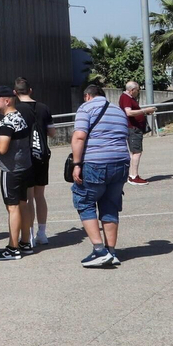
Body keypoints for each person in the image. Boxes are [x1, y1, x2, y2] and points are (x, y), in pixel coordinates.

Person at [68, 83, 130, 268]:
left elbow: (79, 136)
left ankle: (99, 251)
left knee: (84, 201)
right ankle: (112, 252)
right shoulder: (118, 110)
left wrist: (76, 164)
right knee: (110, 204)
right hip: (121, 163)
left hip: (96, 163)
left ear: (87, 96)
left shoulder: (86, 108)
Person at [0, 86, 36, 260]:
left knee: (12, 207)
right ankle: (25, 242)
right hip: (24, 167)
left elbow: (2, 148)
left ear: (7, 101)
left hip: (11, 170)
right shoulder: (20, 117)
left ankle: (13, 248)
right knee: (23, 204)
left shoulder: (7, 121)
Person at [14, 79, 54, 246]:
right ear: (30, 90)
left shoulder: (16, 110)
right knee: (40, 195)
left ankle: (29, 235)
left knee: (28, 197)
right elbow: (52, 132)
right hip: (42, 155)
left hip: (26, 156)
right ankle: (42, 233)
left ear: (15, 92)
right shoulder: (44, 107)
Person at [118, 81, 157, 186]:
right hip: (133, 128)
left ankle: (132, 175)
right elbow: (129, 112)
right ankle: (134, 176)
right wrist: (144, 110)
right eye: (137, 90)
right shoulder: (126, 98)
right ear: (132, 90)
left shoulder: (129, 98)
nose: (138, 92)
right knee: (137, 152)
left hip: (135, 128)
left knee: (134, 152)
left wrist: (145, 112)